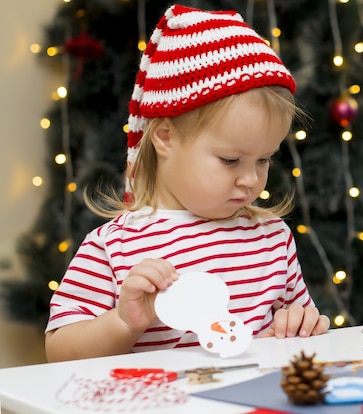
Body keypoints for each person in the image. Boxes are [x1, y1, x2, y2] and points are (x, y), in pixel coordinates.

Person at [45, 4, 330, 362]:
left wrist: (298, 323)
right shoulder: (114, 247)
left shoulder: (272, 238)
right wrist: (122, 322)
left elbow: (303, 326)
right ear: (165, 136)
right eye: (230, 160)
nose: (251, 179)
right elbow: (58, 354)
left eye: (264, 160)